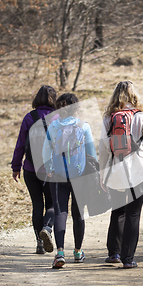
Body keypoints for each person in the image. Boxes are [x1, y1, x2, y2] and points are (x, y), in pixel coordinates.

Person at [99, 81, 143, 269]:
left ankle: (113, 253)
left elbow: (102, 148)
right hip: (139, 170)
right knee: (134, 214)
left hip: (116, 170)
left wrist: (102, 174)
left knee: (118, 211)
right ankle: (128, 258)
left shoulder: (109, 118)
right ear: (134, 96)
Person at [42, 93, 97, 268]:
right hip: (80, 175)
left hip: (58, 175)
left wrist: (49, 169)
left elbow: (45, 152)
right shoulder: (84, 126)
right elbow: (92, 154)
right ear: (76, 108)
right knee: (78, 213)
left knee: (60, 213)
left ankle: (59, 252)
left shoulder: (53, 127)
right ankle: (78, 252)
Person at [11, 85, 56, 254]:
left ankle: (39, 242)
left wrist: (16, 167)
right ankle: (47, 228)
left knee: (37, 204)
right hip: (51, 170)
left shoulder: (29, 117)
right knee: (52, 204)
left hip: (30, 168)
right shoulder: (57, 117)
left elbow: (20, 144)